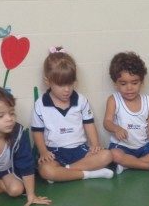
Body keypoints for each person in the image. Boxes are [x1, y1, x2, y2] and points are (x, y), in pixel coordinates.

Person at [31, 49, 115, 183]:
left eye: (70, 84)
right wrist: (43, 152)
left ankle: (63, 173)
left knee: (107, 155)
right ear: (47, 81)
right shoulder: (40, 104)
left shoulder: (81, 100)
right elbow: (37, 132)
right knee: (45, 170)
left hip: (80, 151)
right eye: (61, 85)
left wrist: (95, 144)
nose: (67, 90)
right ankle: (89, 174)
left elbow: (89, 124)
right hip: (54, 153)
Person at [103, 51, 149, 174]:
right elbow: (107, 122)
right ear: (116, 83)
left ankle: (129, 165)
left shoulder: (148, 103)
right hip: (122, 148)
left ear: (142, 82)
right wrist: (116, 128)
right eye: (123, 83)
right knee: (114, 155)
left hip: (144, 147)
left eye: (134, 83)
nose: (129, 88)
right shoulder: (114, 100)